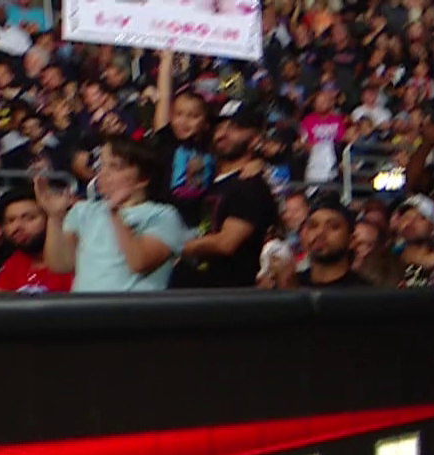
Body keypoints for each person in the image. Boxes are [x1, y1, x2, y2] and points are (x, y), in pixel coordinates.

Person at [37, 136, 190, 292]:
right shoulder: (84, 210)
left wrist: (115, 214)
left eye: (115, 166)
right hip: (83, 307)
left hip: (130, 306)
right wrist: (54, 217)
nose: (103, 173)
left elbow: (139, 262)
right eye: (101, 166)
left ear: (143, 178)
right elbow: (60, 265)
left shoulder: (163, 216)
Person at [175, 98, 278, 289]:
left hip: (225, 296)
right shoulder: (212, 179)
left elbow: (226, 243)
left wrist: (176, 247)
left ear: (256, 138)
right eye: (220, 126)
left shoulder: (250, 185)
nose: (223, 133)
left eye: (235, 128)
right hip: (196, 291)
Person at [151, 47, 214, 227]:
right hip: (161, 220)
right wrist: (166, 60)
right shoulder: (167, 139)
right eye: (179, 114)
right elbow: (164, 98)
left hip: (193, 224)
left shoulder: (211, 146)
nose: (184, 121)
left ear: (205, 122)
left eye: (193, 116)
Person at [0, 185, 72, 293]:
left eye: (29, 218)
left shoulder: (75, 257)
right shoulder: (16, 260)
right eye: (10, 220)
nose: (17, 226)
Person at [294, 194, 367, 287]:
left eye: (333, 226)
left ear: (351, 241)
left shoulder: (365, 292)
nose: (320, 232)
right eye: (313, 226)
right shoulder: (291, 284)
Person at [390, 193, 434, 286]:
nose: (410, 223)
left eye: (421, 218)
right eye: (406, 217)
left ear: (433, 226)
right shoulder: (389, 257)